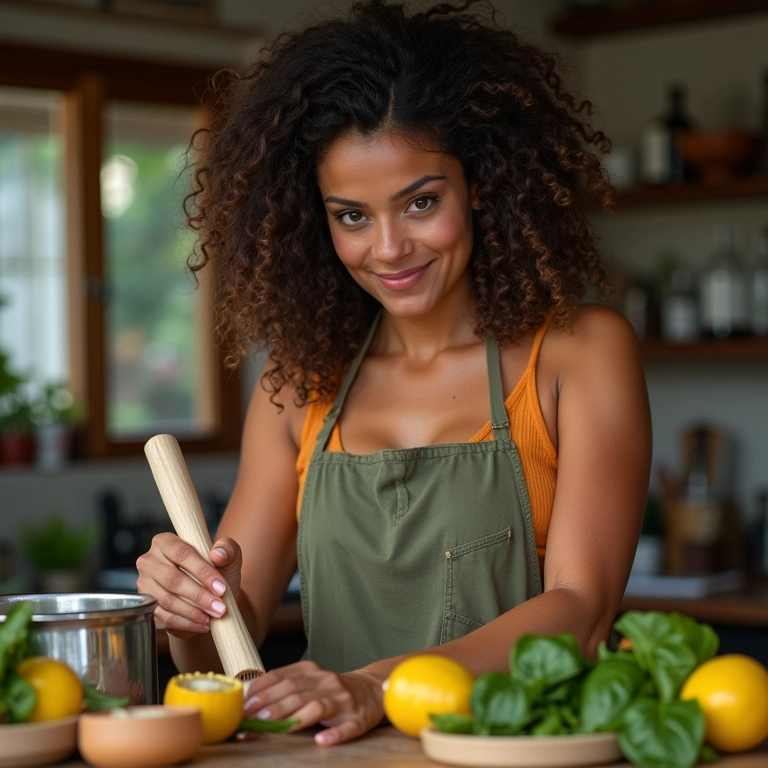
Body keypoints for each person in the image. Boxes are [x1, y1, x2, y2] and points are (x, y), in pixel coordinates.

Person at [136, 0, 652, 747]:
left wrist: (375, 683)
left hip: (515, 755)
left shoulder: (579, 354)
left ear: (480, 184)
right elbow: (227, 649)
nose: (388, 249)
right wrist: (187, 611)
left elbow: (582, 607)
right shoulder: (298, 386)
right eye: (351, 216)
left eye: (420, 203)